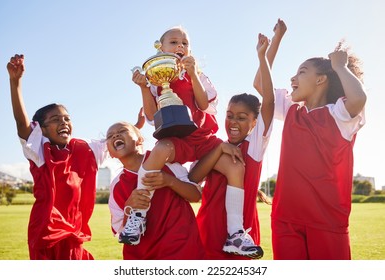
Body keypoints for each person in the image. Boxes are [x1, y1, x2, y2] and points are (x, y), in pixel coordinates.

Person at [127, 25, 251, 255]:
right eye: (174, 42)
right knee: (159, 151)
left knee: (235, 166)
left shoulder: (198, 75)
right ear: (160, 48)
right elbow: (153, 116)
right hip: (177, 140)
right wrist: (144, 87)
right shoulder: (156, 77)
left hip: (203, 138)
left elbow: (204, 105)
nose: (180, 46)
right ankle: (138, 216)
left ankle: (235, 232)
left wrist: (193, 74)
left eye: (185, 43)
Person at [265, 34, 366, 259]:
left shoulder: (339, 114)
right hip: (285, 219)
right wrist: (271, 47)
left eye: (301, 72)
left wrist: (340, 66)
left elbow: (358, 98)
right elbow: (262, 85)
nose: (293, 77)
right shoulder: (292, 109)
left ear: (321, 80)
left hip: (327, 222)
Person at [6, 54, 108, 260]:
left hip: (74, 233)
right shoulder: (40, 152)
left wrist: (138, 126)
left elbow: (117, 139)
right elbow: (22, 126)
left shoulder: (84, 150)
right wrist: (15, 82)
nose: (64, 122)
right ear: (41, 130)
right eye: (55, 119)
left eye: (67, 119)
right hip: (47, 232)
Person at [189, 31, 277, 259]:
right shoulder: (214, 144)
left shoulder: (255, 145)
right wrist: (218, 149)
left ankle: (235, 236)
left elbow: (269, 100)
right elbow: (193, 179)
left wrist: (263, 57)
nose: (233, 122)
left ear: (254, 122)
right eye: (229, 115)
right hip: (207, 231)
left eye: (241, 117)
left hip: (242, 236)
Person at [106, 121, 205, 259]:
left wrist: (169, 181)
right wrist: (129, 206)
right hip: (142, 256)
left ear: (139, 140)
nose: (115, 135)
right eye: (110, 136)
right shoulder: (116, 185)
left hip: (181, 248)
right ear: (110, 153)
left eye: (122, 131)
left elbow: (195, 195)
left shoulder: (164, 160)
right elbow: (120, 231)